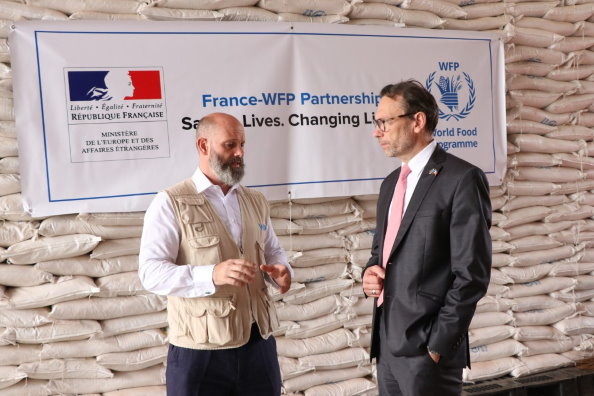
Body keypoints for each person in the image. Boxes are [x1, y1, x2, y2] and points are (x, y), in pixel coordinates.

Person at [139, 112, 293, 396]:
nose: (239, 153)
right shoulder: (170, 203)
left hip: (258, 345)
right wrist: (211, 274)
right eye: (230, 145)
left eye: (243, 145)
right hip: (200, 351)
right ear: (203, 146)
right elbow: (151, 273)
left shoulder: (255, 200)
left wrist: (282, 272)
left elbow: (273, 251)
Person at [362, 80, 492, 395]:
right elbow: (382, 251)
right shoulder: (391, 183)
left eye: (385, 122)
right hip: (388, 347)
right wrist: (369, 272)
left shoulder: (461, 179)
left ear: (417, 121)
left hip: (428, 353)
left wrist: (437, 345)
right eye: (376, 122)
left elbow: (471, 275)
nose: (377, 131)